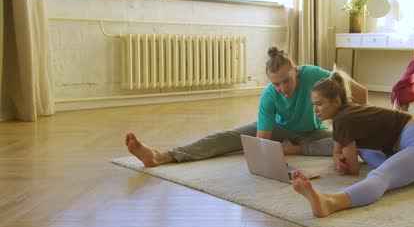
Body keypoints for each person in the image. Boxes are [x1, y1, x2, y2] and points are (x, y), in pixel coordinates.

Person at [125, 46, 369, 167]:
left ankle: (296, 149)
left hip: (313, 132)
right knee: (230, 137)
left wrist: (357, 124)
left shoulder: (314, 74)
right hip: (280, 130)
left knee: (351, 144)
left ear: (296, 71)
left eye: (287, 80)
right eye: (276, 84)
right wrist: (264, 153)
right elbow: (262, 142)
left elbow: (361, 93)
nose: (283, 88)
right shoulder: (268, 97)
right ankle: (162, 156)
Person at [291, 70, 414, 217]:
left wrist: (344, 161)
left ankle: (330, 202)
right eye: (313, 104)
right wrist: (339, 157)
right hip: (412, 146)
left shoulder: (343, 120)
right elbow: (337, 150)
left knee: (380, 176)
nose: (315, 110)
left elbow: (353, 169)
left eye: (319, 104)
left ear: (336, 101)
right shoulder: (345, 115)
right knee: (361, 150)